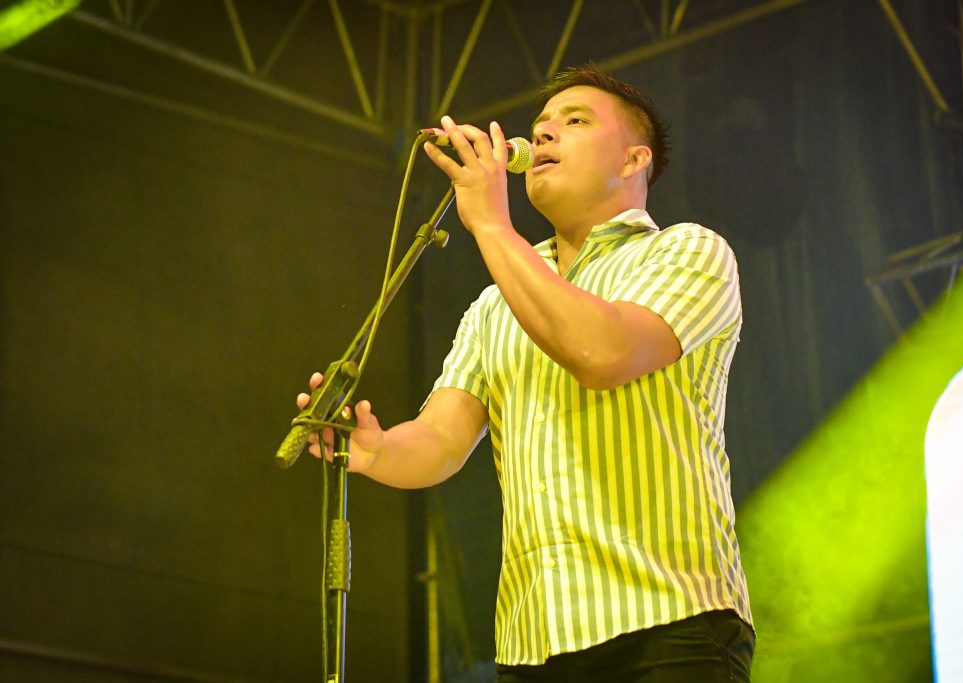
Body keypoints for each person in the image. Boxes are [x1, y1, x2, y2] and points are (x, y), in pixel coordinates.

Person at [298, 64, 754, 682]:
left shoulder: (688, 251)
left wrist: (491, 224)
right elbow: (441, 441)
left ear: (633, 160)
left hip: (668, 621)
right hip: (534, 641)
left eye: (575, 121)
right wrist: (376, 451)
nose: (543, 134)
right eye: (540, 125)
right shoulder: (496, 304)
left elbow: (603, 354)